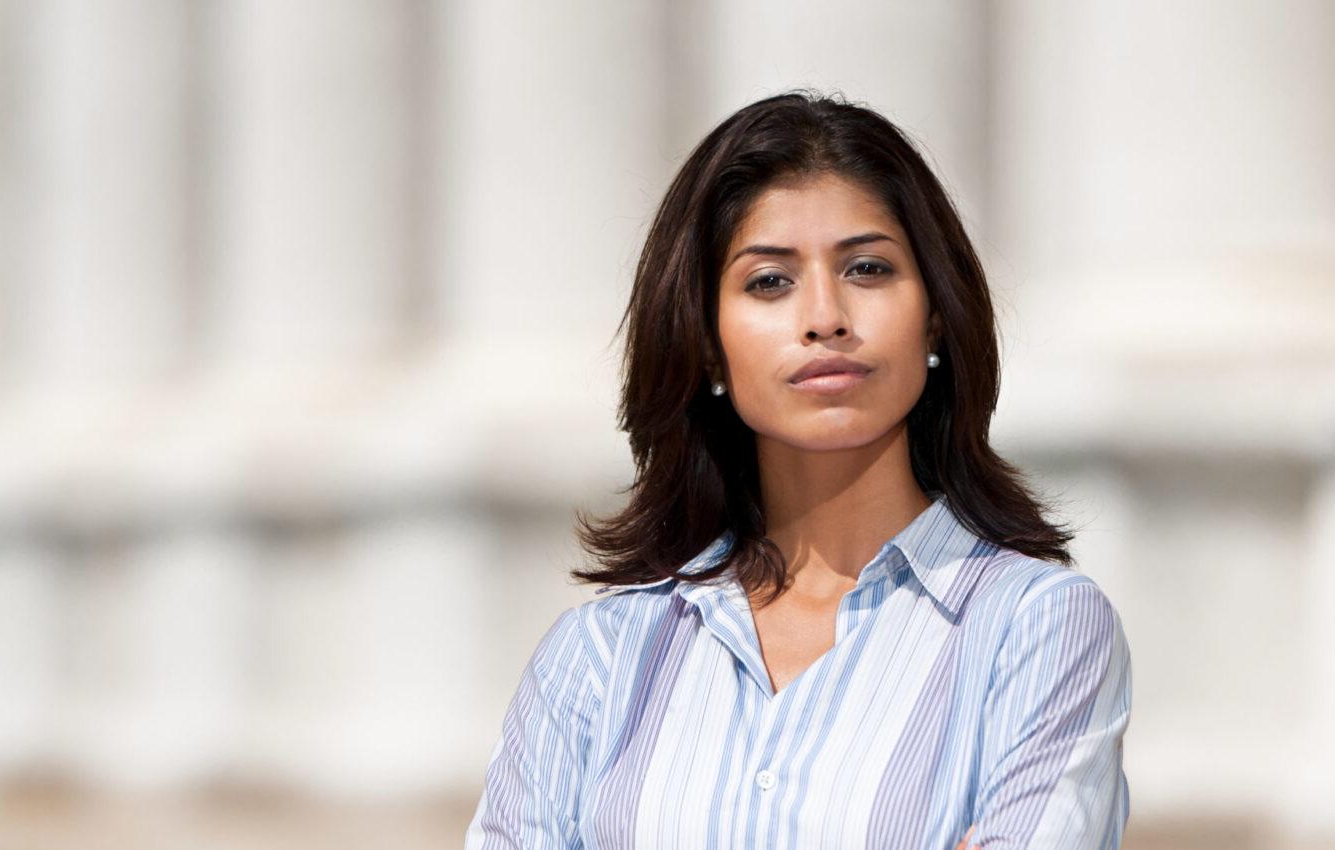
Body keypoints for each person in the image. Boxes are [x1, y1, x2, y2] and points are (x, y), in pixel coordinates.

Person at [463, 90, 1133, 850]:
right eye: (769, 281)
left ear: (936, 316)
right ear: (708, 342)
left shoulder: (1039, 631)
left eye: (869, 268)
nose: (825, 316)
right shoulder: (601, 654)